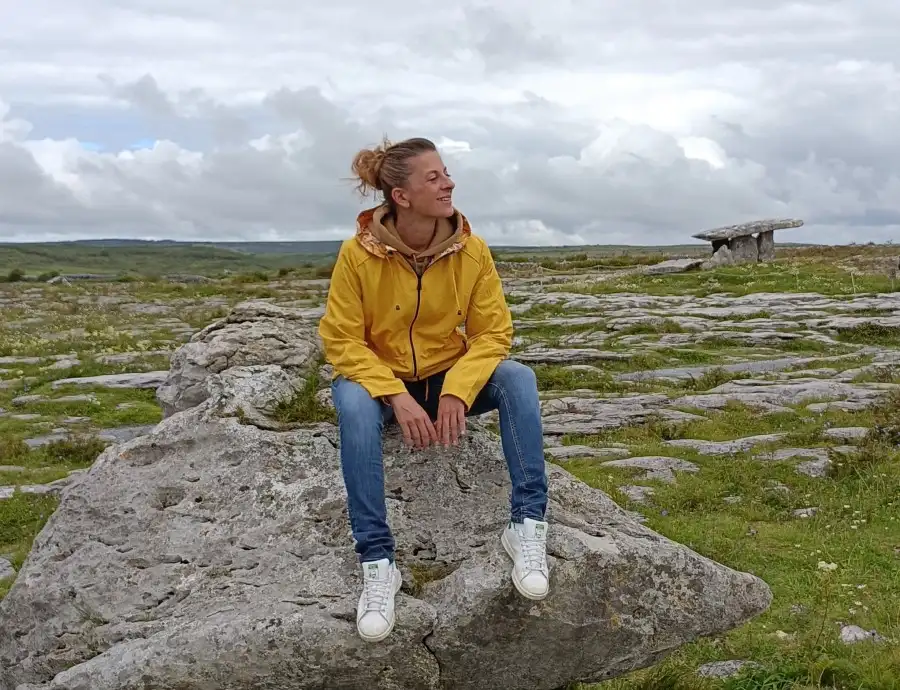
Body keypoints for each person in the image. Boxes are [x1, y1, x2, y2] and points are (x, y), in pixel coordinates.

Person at [318, 136, 550, 644]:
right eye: (433, 177)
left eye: (446, 173)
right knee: (353, 403)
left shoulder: (473, 251)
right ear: (401, 197)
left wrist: (457, 392)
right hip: (383, 384)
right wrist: (395, 395)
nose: (448, 183)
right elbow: (340, 339)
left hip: (447, 376)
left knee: (517, 378)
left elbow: (493, 333)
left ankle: (527, 527)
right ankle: (378, 563)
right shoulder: (357, 255)